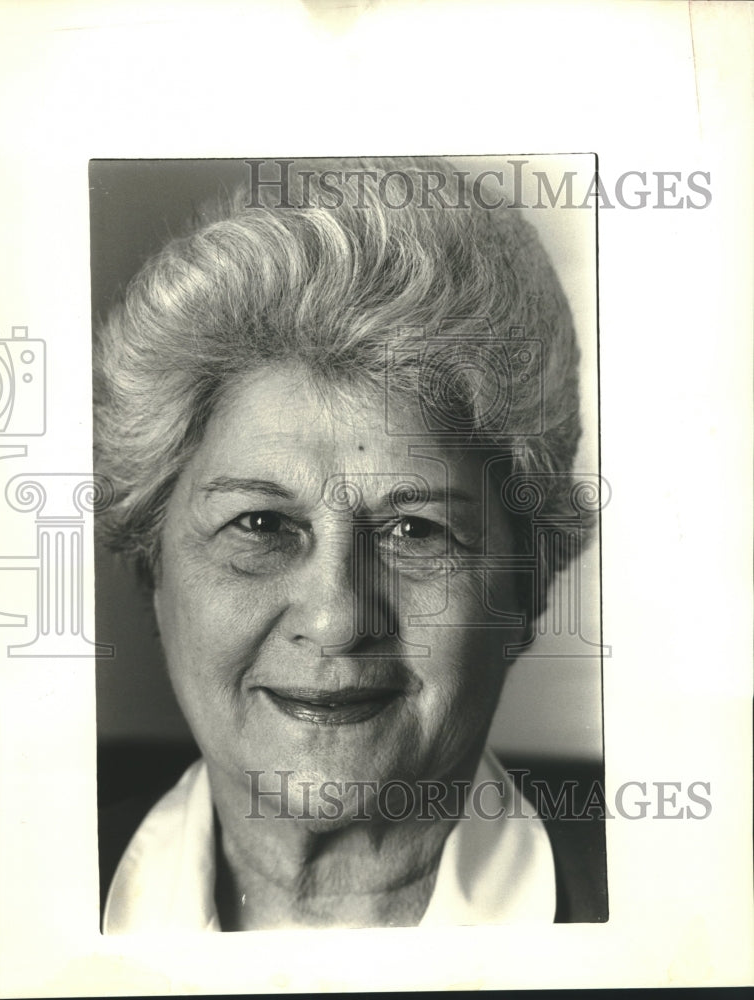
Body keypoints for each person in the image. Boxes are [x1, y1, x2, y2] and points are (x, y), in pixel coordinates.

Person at [93, 157, 605, 932]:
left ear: (527, 589)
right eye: (260, 526)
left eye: (414, 531)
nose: (336, 617)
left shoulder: (688, 918)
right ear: (149, 562)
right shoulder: (15, 903)